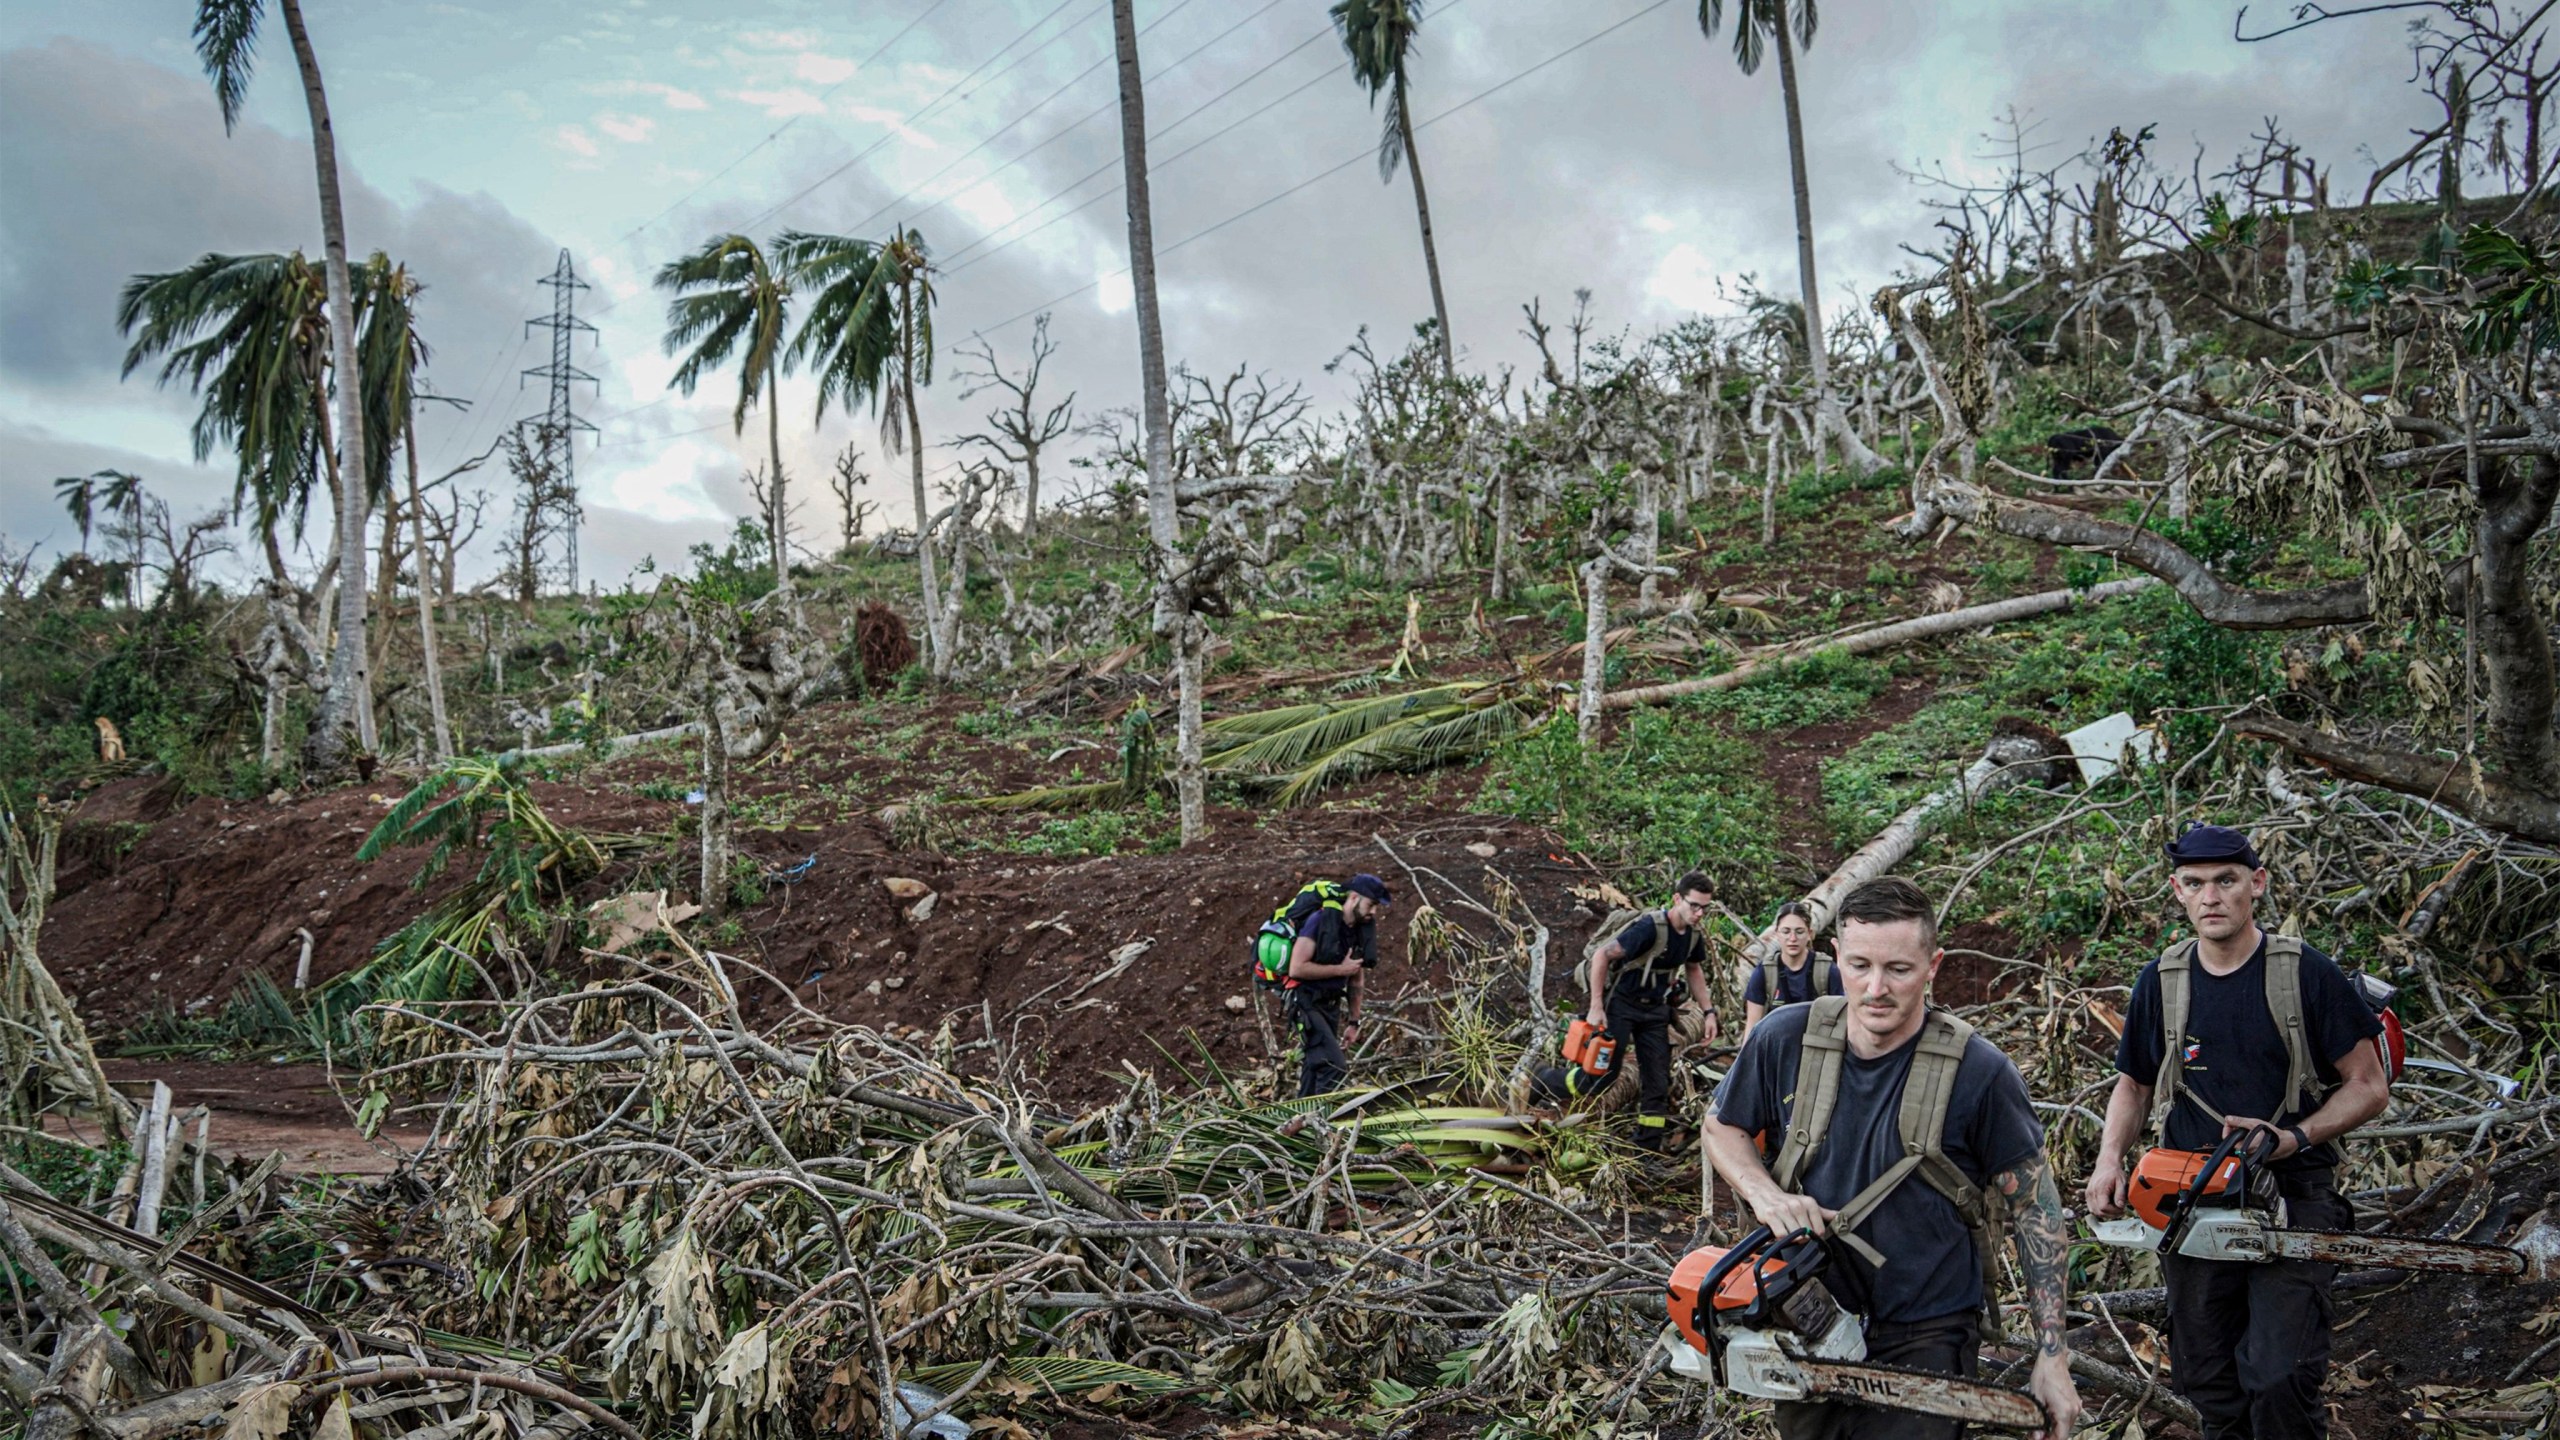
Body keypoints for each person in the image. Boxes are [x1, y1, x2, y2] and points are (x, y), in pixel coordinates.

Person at [1703, 877, 2081, 1440]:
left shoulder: (1981, 1071)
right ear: (1836, 958)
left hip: (1928, 1328)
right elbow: (1721, 1124)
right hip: (1809, 1318)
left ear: (1934, 964)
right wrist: (1765, 1193)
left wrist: (2053, 1355)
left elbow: (2035, 1210)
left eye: (1899, 970)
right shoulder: (1785, 1037)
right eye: (1859, 966)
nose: (1876, 988)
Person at [2084, 823, 2389, 1440]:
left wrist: (2293, 1138)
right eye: (2195, 884)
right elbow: (2135, 1085)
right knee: (2205, 1377)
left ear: (2257, 883)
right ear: (2177, 891)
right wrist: (2109, 1159)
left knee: (2278, 1374)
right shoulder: (2162, 981)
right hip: (2191, 1195)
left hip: (2295, 1194)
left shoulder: (2304, 973)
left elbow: (2369, 1084)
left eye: (2226, 881)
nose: (2212, 897)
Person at [1565, 873, 1723, 1150]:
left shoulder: (1692, 935)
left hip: (1655, 1012)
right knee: (1601, 1077)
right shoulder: (1650, 927)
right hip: (1621, 1007)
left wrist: (1709, 1012)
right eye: (1694, 906)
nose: (1699, 913)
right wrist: (1596, 1007)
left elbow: (1694, 969)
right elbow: (1603, 955)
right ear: (1677, 899)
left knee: (1657, 1082)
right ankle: (1546, 1080)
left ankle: (1644, 1151)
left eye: (1704, 908)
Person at [1285, 872, 1392, 1097]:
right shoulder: (1320, 920)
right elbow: (1296, 967)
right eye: (1371, 905)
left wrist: (1354, 1021)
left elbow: (1356, 978)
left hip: (1330, 1006)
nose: (1373, 912)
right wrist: (1339, 970)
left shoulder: (1360, 930)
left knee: (1314, 1067)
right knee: (1334, 1067)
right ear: (1354, 898)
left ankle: (1297, 1118)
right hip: (1306, 1003)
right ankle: (1323, 1122)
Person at [1741, 900, 1843, 1040]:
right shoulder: (1765, 972)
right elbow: (1752, 1025)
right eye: (1786, 931)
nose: (1792, 938)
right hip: (1775, 1047)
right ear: (1777, 933)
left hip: (1816, 1047)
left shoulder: (1827, 970)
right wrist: (1746, 1059)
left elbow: (1842, 1019)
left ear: (1810, 934)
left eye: (1799, 932)